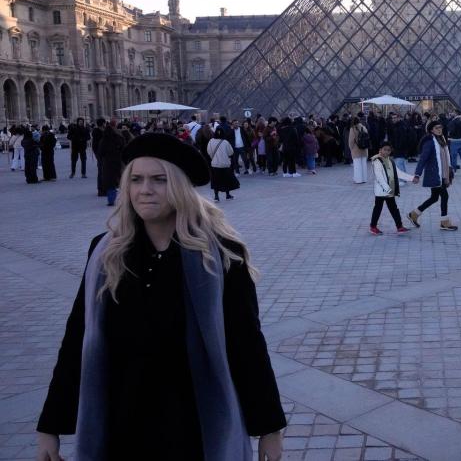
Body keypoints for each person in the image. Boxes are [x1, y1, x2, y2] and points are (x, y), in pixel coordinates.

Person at [35, 133, 285, 461]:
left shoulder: (222, 256)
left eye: (158, 179)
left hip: (193, 424)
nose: (145, 190)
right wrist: (50, 425)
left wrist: (269, 427)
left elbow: (246, 343)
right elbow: (77, 340)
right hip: (121, 422)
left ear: (180, 187)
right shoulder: (105, 254)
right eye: (136, 179)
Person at [408, 120, 458, 231]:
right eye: (437, 128)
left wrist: (450, 170)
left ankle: (414, 214)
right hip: (435, 174)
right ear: (431, 130)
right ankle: (444, 222)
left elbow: (445, 157)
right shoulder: (430, 142)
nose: (439, 129)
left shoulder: (441, 140)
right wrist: (417, 174)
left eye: (440, 127)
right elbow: (423, 159)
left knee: (434, 197)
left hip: (442, 174)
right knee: (444, 196)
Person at [369, 141, 414, 235]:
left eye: (388, 150)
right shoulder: (377, 161)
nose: (386, 152)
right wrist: (387, 189)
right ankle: (373, 227)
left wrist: (412, 178)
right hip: (382, 192)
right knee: (378, 209)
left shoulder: (390, 160)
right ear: (380, 150)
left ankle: (399, 226)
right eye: (384, 150)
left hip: (390, 190)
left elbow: (399, 173)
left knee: (394, 209)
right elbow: (379, 178)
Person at [348, 117, 369, 184]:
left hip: (356, 149)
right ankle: (364, 179)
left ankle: (358, 179)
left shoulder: (353, 129)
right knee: (363, 165)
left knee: (357, 165)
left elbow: (351, 141)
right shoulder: (364, 127)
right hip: (364, 149)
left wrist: (351, 148)